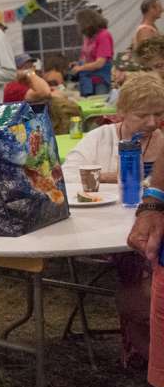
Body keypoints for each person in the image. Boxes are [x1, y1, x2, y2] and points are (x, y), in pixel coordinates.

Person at [68, 74, 164, 367]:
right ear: (121, 113)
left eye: (158, 114)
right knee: (134, 266)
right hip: (103, 227)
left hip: (145, 228)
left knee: (142, 261)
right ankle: (144, 346)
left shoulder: (163, 143)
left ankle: (144, 344)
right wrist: (119, 177)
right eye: (141, 114)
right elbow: (70, 174)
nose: (151, 122)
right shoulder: (102, 137)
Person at [71, 7, 115, 97]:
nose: (78, 26)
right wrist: (78, 64)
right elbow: (86, 58)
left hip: (100, 81)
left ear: (86, 22)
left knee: (99, 107)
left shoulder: (104, 35)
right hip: (87, 81)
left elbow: (100, 63)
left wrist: (80, 68)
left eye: (79, 23)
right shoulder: (87, 37)